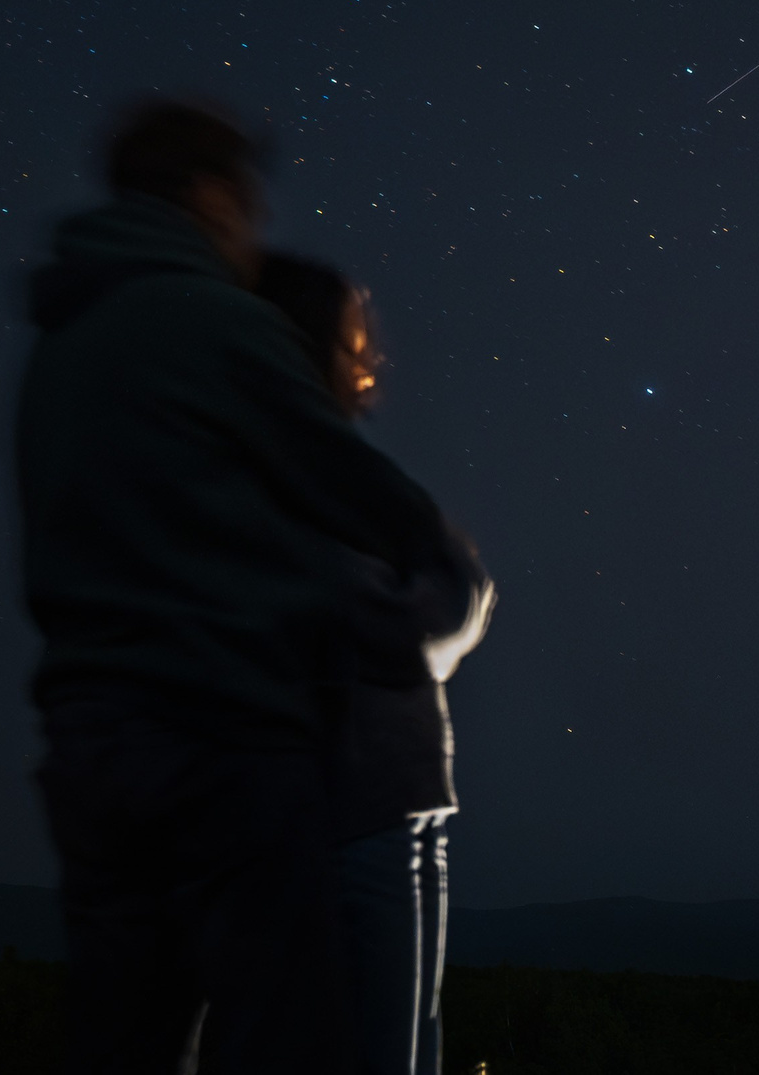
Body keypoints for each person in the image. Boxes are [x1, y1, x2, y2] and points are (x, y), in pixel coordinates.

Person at [16, 99, 472, 1074]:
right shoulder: (212, 322)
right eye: (247, 204)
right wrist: (445, 581)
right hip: (224, 747)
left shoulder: (60, 351)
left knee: (129, 1037)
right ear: (211, 195)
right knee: (290, 1037)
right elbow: (357, 496)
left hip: (92, 751)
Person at [258, 254, 494, 1075]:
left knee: (409, 1047)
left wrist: (442, 582)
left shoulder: (339, 470)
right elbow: (407, 605)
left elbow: (453, 588)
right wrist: (439, 581)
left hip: (402, 801)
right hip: (353, 811)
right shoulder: (292, 472)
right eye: (352, 340)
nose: (371, 360)